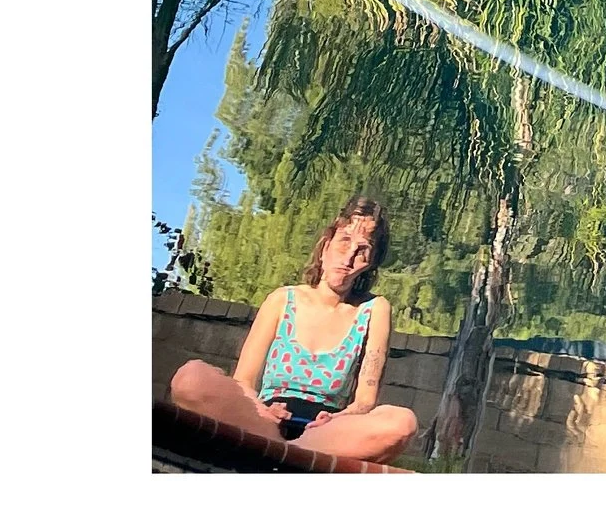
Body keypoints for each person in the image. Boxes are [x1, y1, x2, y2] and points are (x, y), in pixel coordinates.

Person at [168, 197, 419, 466]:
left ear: (370, 263)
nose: (348, 258)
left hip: (326, 432)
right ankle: (286, 454)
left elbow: (364, 403)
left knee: (401, 423)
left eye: (362, 250)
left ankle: (278, 453)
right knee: (190, 378)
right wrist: (261, 410)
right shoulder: (282, 299)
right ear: (325, 246)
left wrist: (337, 419)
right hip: (262, 420)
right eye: (344, 241)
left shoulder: (373, 310)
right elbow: (244, 382)